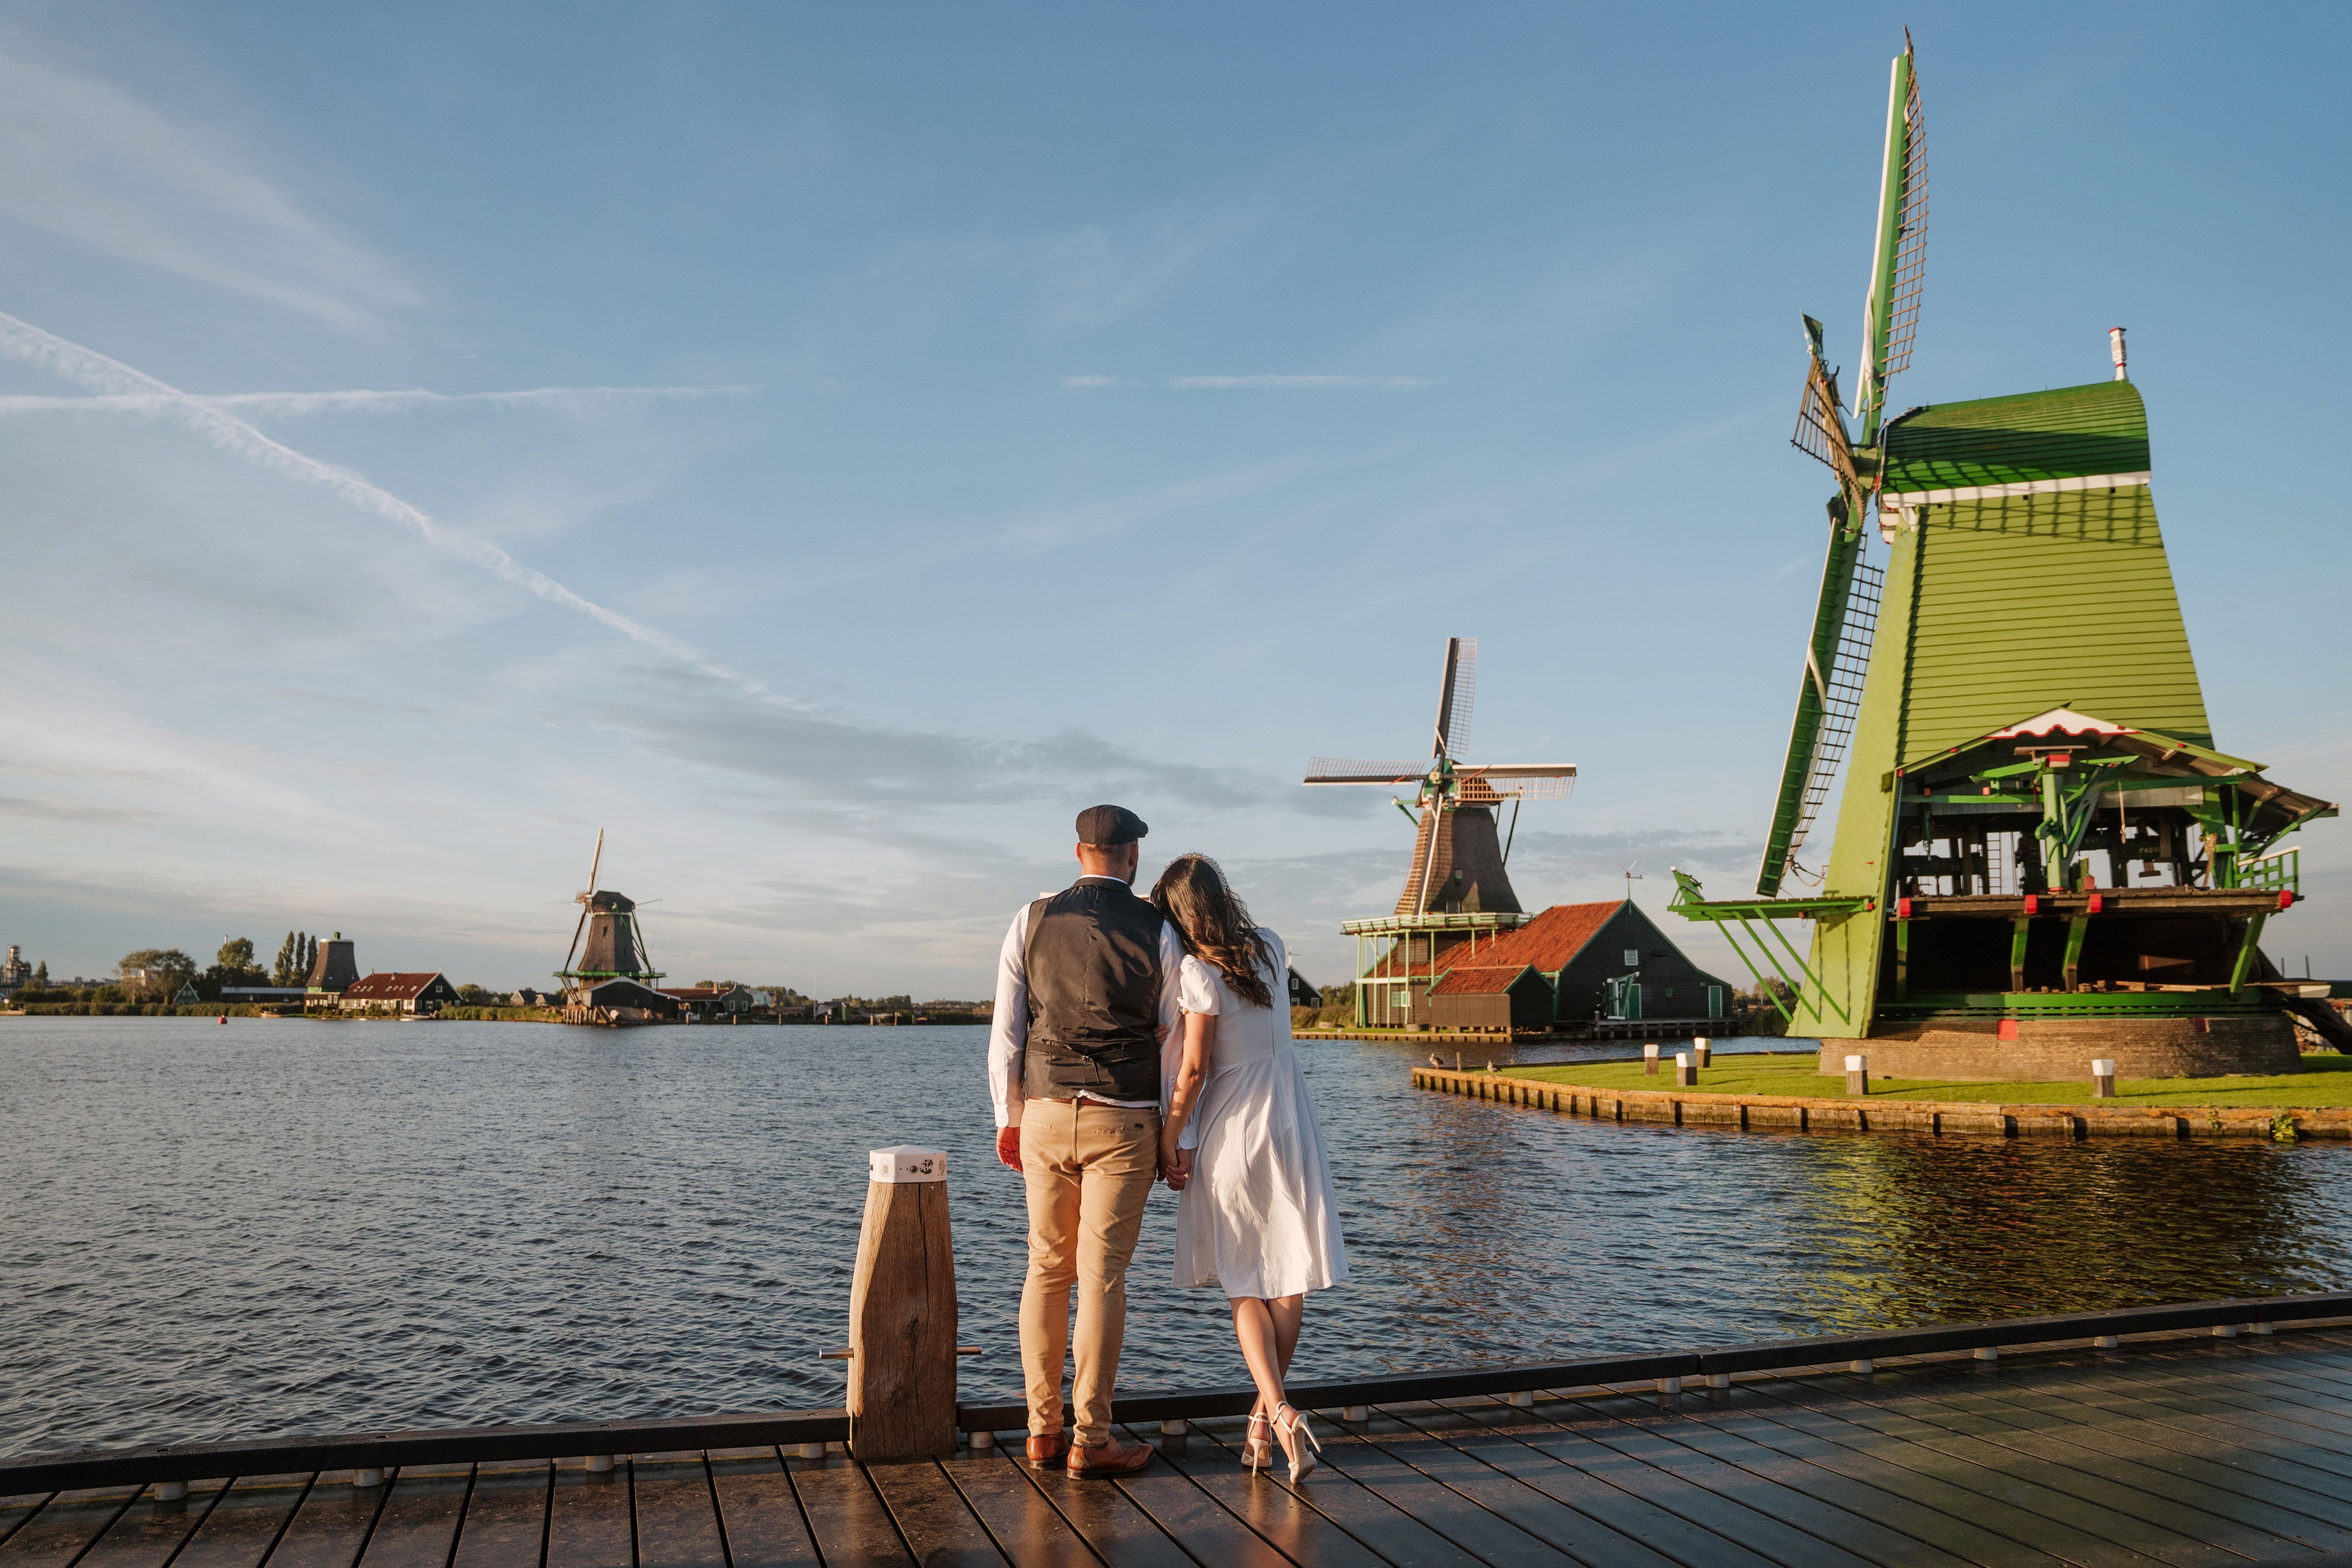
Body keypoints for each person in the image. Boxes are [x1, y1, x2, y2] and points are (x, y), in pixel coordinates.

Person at [986, 804, 1184, 1479]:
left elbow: (1007, 1032)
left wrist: (1007, 1116)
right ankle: (1091, 1441)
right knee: (1101, 1278)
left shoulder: (1031, 918)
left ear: (1079, 854)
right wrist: (1174, 1132)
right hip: (1124, 1116)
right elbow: (1175, 1035)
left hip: (1043, 1111)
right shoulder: (1159, 929)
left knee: (1046, 1269)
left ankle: (1042, 1431)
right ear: (1132, 857)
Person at [1152, 853, 1348, 1482]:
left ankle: (1281, 1413)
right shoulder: (1269, 946)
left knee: (1243, 1279)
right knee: (1286, 1277)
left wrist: (1169, 1136)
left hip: (1235, 1126)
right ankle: (1265, 1421)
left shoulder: (1197, 974)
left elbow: (1194, 1072)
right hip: (1291, 1120)